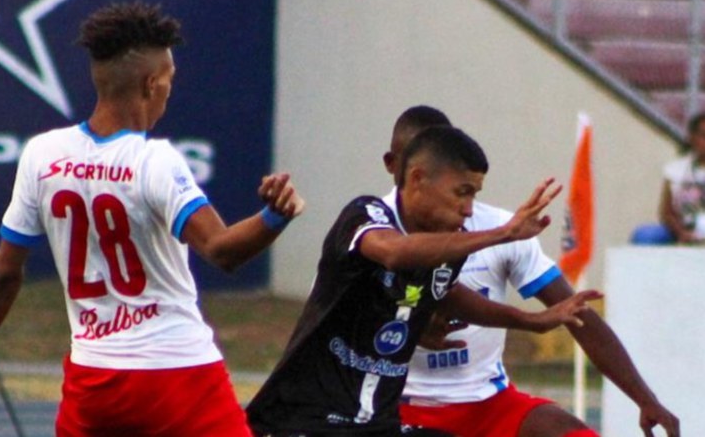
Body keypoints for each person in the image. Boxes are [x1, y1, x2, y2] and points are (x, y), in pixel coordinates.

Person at [0, 2, 304, 436]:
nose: (169, 91)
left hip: (93, 382)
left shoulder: (43, 155)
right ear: (150, 84)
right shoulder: (155, 160)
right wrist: (274, 215)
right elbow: (222, 251)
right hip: (177, 376)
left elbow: (4, 271)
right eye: (169, 81)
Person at [247, 124, 601, 437]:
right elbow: (394, 253)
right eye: (462, 192)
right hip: (303, 420)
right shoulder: (364, 215)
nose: (469, 208)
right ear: (416, 178)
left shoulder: (448, 246)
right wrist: (503, 233)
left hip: (375, 426)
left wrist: (532, 321)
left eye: (474, 195)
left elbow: (449, 293)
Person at [385, 106, 679, 437]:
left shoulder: (502, 227)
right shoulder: (374, 232)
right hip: (395, 407)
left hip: (489, 403)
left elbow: (576, 313)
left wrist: (645, 398)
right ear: (399, 168)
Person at [658, 112, 705, 244]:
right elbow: (666, 212)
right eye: (703, 136)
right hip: (683, 228)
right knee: (645, 235)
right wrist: (682, 233)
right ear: (692, 138)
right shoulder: (675, 170)